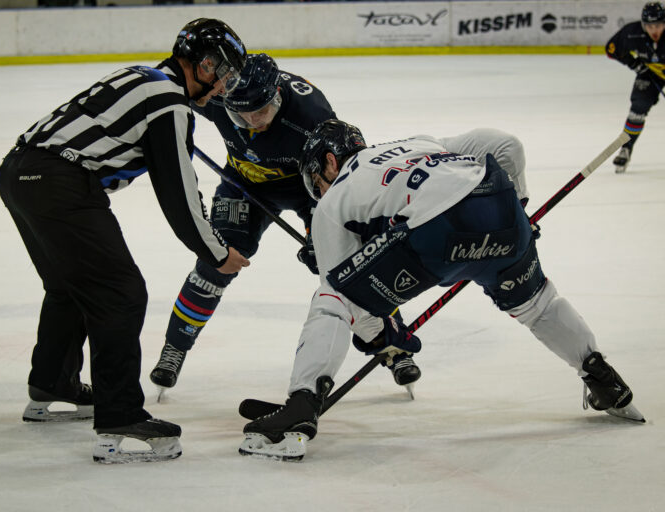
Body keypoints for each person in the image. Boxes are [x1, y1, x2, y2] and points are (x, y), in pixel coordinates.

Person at [239, 120, 644, 461]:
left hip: (437, 234)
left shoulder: (334, 201)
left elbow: (349, 304)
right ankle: (605, 382)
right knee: (538, 304)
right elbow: (506, 146)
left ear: (329, 161)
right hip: (500, 207)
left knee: (331, 300)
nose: (320, 193)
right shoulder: (417, 143)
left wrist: (386, 338)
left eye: (316, 181)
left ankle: (301, 406)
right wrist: (518, 208)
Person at [0, 18, 249, 464]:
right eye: (224, 74)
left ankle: (53, 383)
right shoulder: (169, 103)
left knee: (69, 286)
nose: (221, 89)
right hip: (60, 183)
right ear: (205, 65)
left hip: (19, 172)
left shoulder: (142, 78)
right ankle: (120, 417)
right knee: (120, 293)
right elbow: (178, 192)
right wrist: (215, 252)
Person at [148, 53, 423, 396]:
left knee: (351, 264)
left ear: (277, 94)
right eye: (241, 115)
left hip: (311, 190)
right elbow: (164, 85)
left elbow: (342, 177)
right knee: (215, 262)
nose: (253, 123)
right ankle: (175, 346)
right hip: (243, 186)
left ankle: (394, 346)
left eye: (261, 112)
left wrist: (325, 230)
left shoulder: (311, 116)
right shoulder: (219, 92)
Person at [606, 1, 665, 173]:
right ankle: (626, 147)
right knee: (638, 109)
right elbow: (612, 49)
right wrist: (636, 65)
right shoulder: (633, 33)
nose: (654, 30)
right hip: (650, 73)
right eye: (650, 26)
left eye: (658, 25)